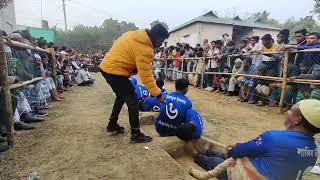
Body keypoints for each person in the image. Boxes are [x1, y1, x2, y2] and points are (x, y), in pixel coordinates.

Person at [184, 99, 320, 180]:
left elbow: (236, 152)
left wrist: (235, 149)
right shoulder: (314, 149)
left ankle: (197, 155)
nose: (286, 112)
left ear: (298, 120)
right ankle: (208, 152)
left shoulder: (274, 138)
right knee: (233, 155)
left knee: (223, 161)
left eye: (291, 110)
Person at [100, 24, 168, 143]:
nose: (161, 44)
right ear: (156, 37)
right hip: (115, 71)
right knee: (132, 100)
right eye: (162, 40)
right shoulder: (145, 48)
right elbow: (146, 76)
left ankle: (112, 125)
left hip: (107, 67)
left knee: (121, 96)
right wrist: (158, 94)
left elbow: (124, 53)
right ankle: (136, 133)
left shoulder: (133, 35)